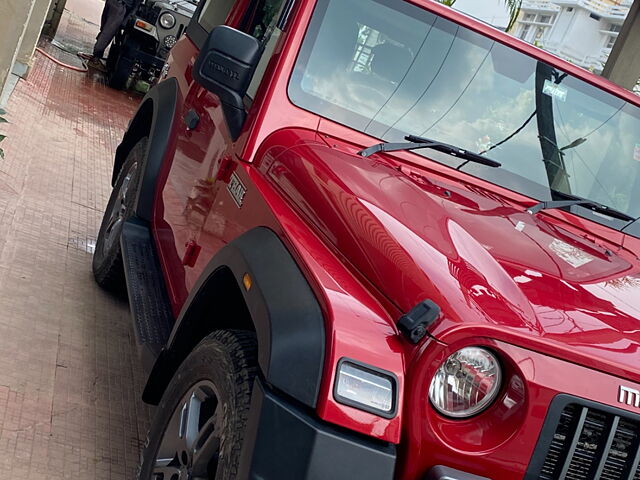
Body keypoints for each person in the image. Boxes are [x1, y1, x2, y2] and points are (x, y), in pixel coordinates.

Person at [88, 0, 141, 71]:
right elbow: (135, 7)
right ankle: (95, 59)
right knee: (108, 33)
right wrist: (124, 23)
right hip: (119, 7)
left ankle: (96, 54)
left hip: (111, 2)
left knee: (104, 28)